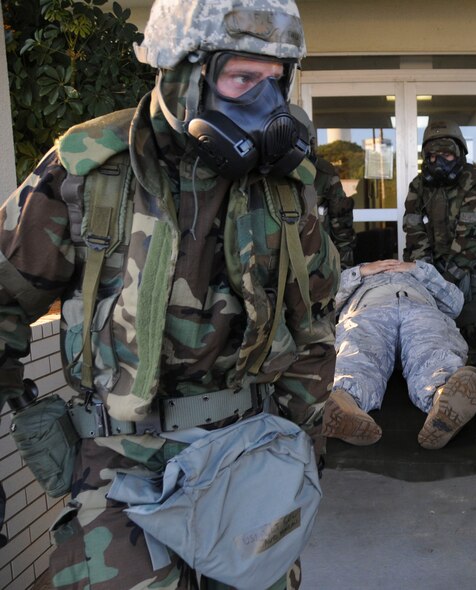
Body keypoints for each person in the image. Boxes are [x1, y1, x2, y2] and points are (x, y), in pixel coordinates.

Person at [0, 0, 340, 588]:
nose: (265, 104)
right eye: (242, 78)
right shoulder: (88, 171)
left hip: (246, 454)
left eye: (275, 82)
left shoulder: (287, 190)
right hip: (120, 464)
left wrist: (302, 447)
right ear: (184, 74)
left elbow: (312, 325)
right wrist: (27, 411)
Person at [322, 259, 476, 449]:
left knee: (432, 348)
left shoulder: (419, 273)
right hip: (370, 310)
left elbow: (455, 303)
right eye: (382, 262)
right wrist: (361, 272)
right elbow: (326, 303)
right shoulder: (359, 276)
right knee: (358, 348)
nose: (389, 264)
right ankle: (344, 403)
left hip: (419, 309)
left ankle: (445, 399)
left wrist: (417, 269)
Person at [402, 120, 476, 368]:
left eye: (446, 154)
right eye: (433, 156)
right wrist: (427, 276)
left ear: (460, 154)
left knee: (475, 343)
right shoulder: (419, 185)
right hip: (433, 273)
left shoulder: (474, 183)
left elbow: (471, 240)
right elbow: (413, 229)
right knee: (433, 339)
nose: (439, 161)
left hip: (471, 273)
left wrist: (445, 281)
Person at [291, 104, 357, 269]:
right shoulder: (263, 173)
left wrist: (343, 275)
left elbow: (342, 231)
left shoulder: (323, 173)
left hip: (318, 267)